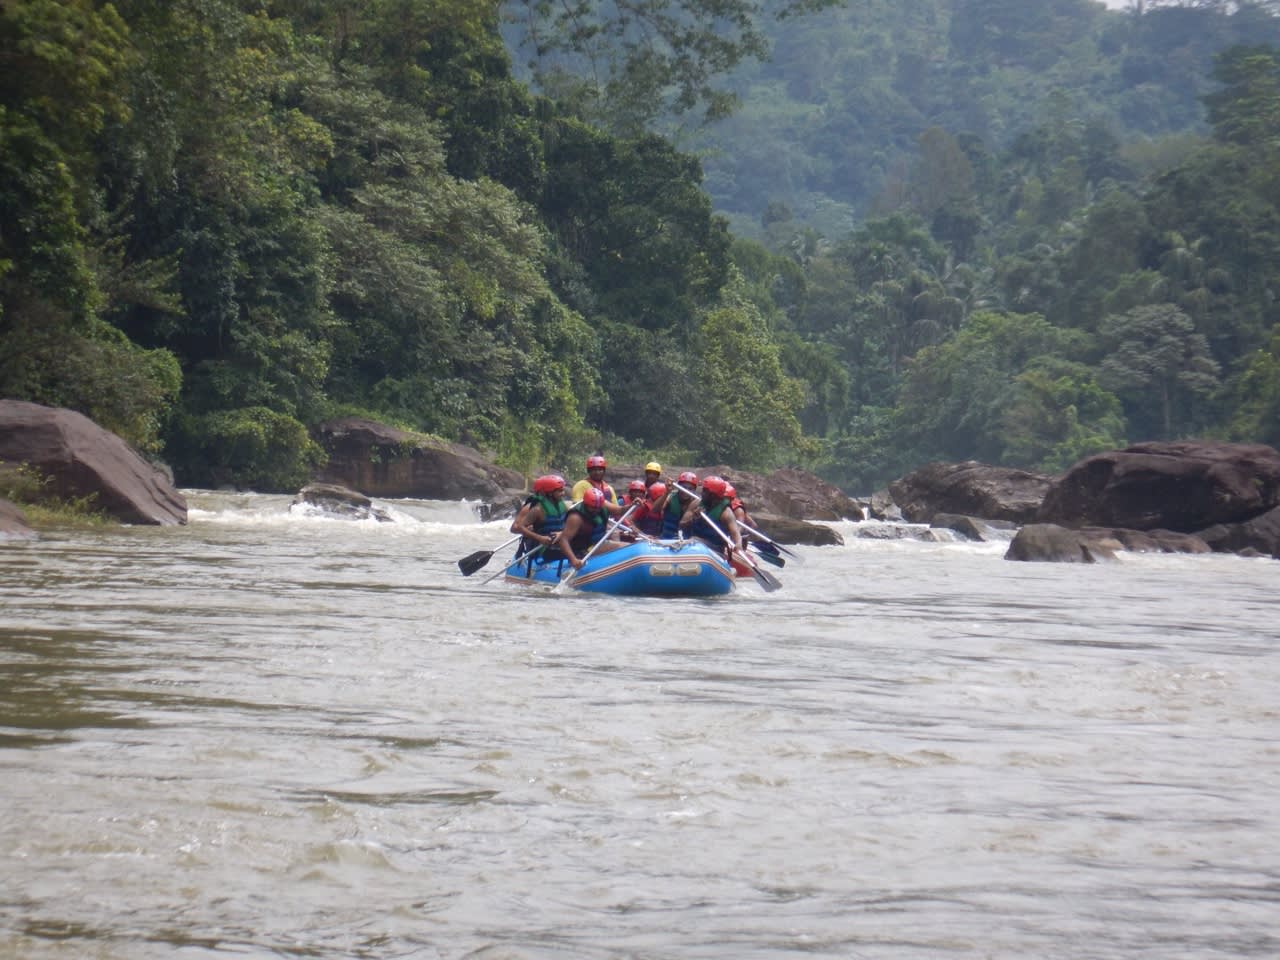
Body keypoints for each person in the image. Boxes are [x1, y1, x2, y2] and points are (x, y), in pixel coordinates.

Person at [677, 475, 744, 557]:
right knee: (694, 540)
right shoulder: (697, 503)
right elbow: (681, 524)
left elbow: (736, 533)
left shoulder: (726, 513)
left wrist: (738, 544)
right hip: (693, 544)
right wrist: (694, 517)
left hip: (715, 549)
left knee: (695, 540)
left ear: (713, 495)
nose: (702, 493)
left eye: (705, 491)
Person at [509, 474, 569, 564]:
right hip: (544, 547)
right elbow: (516, 527)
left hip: (560, 542)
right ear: (548, 493)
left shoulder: (562, 505)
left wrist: (562, 533)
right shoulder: (535, 508)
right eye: (560, 491)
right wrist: (538, 536)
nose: (563, 493)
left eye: (563, 490)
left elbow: (571, 525)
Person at [558, 487, 620, 568]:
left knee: (617, 536)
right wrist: (573, 560)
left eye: (598, 507)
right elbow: (563, 539)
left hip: (597, 544)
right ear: (586, 504)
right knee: (621, 547)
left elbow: (620, 510)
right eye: (593, 507)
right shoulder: (576, 517)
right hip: (584, 551)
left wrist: (632, 505)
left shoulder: (603, 505)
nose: (596, 510)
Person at [660, 471, 700, 539]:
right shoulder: (670, 497)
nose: (686, 491)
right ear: (678, 487)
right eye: (684, 487)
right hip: (667, 537)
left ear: (694, 490)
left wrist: (694, 518)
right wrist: (666, 492)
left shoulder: (697, 502)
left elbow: (683, 524)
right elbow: (655, 510)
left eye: (690, 489)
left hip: (686, 540)